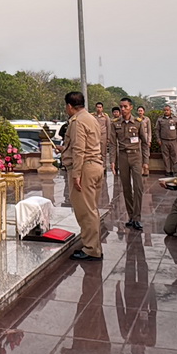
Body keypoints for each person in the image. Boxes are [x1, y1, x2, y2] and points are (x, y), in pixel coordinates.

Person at [63, 91, 104, 261]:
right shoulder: (91, 118)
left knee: (86, 212)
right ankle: (93, 246)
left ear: (69, 106)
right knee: (92, 210)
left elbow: (79, 150)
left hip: (85, 169)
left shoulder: (77, 121)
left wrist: (76, 175)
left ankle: (91, 249)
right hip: (95, 165)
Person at [112, 97, 147, 231]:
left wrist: (146, 162)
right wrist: (113, 162)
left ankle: (137, 217)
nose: (123, 109)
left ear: (131, 107)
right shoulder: (115, 123)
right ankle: (131, 216)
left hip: (135, 156)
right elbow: (112, 143)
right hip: (122, 156)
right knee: (126, 188)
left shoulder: (138, 123)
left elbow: (144, 143)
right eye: (121, 106)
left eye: (125, 106)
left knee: (138, 188)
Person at [155, 106, 177, 176]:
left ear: (170, 111)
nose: (166, 111)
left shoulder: (175, 119)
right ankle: (168, 171)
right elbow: (157, 130)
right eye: (165, 110)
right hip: (164, 141)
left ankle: (175, 171)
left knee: (175, 156)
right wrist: (158, 139)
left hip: (174, 141)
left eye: (167, 110)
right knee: (166, 157)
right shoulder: (160, 119)